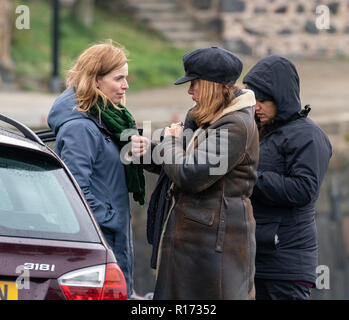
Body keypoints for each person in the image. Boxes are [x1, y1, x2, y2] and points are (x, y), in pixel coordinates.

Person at [149, 46, 259, 300]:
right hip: (196, 243)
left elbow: (191, 173)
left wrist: (170, 142)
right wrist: (144, 150)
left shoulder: (236, 126)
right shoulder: (207, 119)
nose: (189, 92)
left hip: (215, 250)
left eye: (194, 84)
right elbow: (179, 162)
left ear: (210, 85)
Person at [47, 41, 149, 297]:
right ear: (95, 81)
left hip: (110, 238)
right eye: (119, 78)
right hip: (100, 240)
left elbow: (104, 171)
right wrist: (111, 218)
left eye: (126, 78)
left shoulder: (106, 120)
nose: (126, 86)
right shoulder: (80, 127)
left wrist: (129, 149)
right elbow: (75, 190)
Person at [243, 55, 332, 300]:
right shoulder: (264, 132)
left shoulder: (309, 137)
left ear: (280, 98)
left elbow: (303, 190)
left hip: (286, 266)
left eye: (263, 100)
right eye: (253, 100)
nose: (256, 107)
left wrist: (249, 177)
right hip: (258, 259)